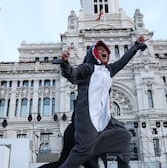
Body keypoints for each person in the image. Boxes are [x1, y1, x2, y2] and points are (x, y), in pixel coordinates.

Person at [53, 36, 147, 168]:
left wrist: (136, 45)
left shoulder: (109, 70)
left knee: (124, 135)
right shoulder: (87, 68)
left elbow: (123, 61)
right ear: (94, 53)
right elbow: (73, 75)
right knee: (83, 149)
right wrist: (65, 63)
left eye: (105, 50)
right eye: (100, 49)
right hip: (87, 116)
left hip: (104, 117)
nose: (104, 51)